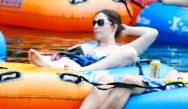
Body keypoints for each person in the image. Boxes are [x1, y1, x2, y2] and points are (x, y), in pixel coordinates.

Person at [27, 9, 158, 73]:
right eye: (94, 23)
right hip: (75, 67)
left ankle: (81, 70)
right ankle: (47, 63)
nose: (95, 26)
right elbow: (62, 56)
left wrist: (126, 29)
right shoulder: (87, 48)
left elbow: (152, 33)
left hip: (88, 72)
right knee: (72, 54)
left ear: (113, 26)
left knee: (129, 53)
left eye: (100, 23)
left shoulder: (121, 49)